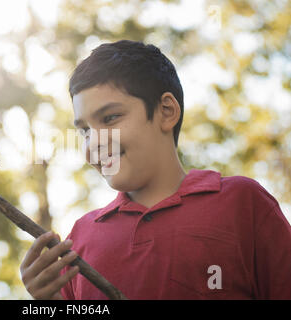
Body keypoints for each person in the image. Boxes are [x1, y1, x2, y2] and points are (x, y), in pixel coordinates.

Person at [19, 40, 291, 299]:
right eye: (85, 131)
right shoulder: (79, 241)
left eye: (110, 118)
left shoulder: (241, 203)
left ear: (166, 111)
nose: (94, 144)